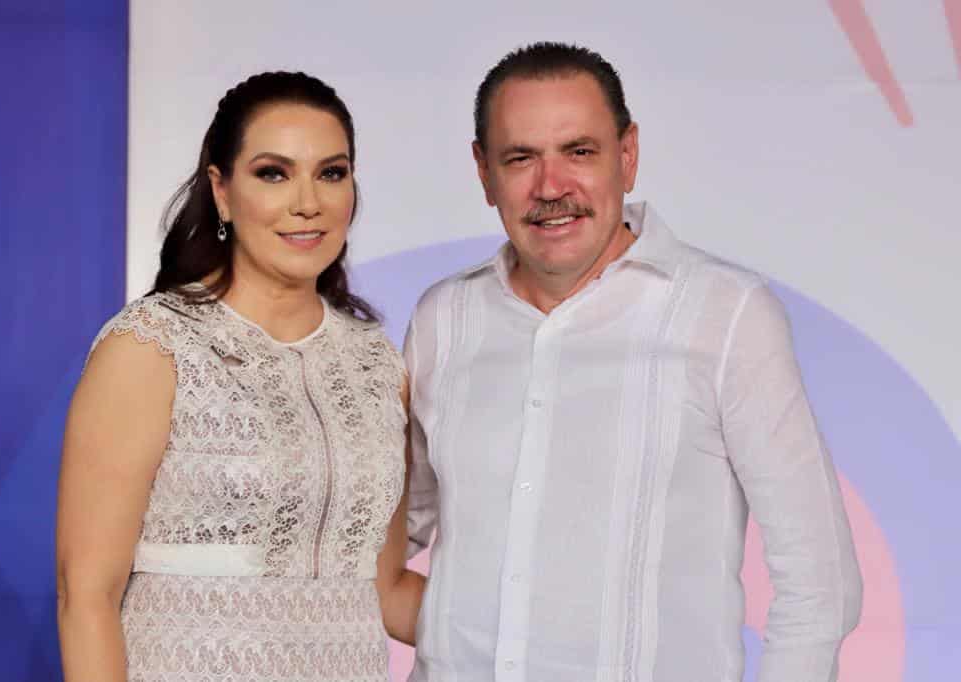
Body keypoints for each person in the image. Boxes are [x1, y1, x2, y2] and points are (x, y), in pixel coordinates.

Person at [405, 43, 862, 681]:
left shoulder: (726, 315)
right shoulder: (443, 318)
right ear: (483, 171)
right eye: (521, 158)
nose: (551, 187)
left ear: (628, 155)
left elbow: (820, 581)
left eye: (579, 151)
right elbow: (390, 527)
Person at [56, 70, 424, 682]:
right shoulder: (153, 346)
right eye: (273, 173)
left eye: (331, 173)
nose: (307, 202)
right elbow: (85, 594)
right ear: (221, 191)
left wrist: (546, 630)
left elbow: (386, 591)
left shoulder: (378, 365)